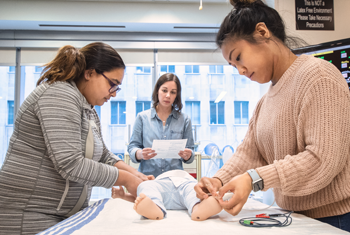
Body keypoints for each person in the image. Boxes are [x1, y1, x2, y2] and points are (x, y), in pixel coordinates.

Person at [194, 0, 350, 232]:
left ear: (262, 32)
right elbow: (250, 153)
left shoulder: (319, 76)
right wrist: (219, 181)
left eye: (238, 57)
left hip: (335, 218)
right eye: (232, 66)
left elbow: (322, 159)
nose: (240, 71)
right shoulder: (263, 103)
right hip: (294, 216)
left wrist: (254, 179)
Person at [0, 42, 151, 234]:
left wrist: (138, 176)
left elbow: (103, 155)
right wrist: (127, 180)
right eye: (112, 84)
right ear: (89, 73)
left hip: (58, 215)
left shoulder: (87, 108)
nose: (113, 94)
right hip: (29, 214)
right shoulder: (59, 94)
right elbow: (70, 163)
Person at [128, 73, 195, 178]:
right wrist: (139, 153)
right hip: (147, 179)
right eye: (164, 90)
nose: (168, 95)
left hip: (175, 180)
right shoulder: (142, 117)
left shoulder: (184, 120)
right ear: (157, 91)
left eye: (173, 92)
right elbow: (132, 147)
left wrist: (188, 155)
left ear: (176, 95)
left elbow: (190, 150)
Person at [112, 169, 222, 221]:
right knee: (145, 186)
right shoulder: (155, 182)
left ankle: (199, 208)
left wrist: (123, 196)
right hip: (164, 184)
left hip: (185, 182)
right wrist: (123, 196)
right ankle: (155, 208)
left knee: (194, 190)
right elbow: (140, 199)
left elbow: (140, 199)